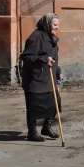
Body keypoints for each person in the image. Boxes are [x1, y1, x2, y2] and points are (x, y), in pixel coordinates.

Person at [21, 13, 64, 142]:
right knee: (34, 107)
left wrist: (58, 71)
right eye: (55, 24)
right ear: (47, 23)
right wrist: (43, 59)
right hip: (36, 79)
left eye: (58, 25)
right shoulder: (36, 37)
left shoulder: (51, 37)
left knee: (54, 104)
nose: (57, 27)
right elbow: (27, 57)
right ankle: (32, 132)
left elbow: (53, 58)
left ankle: (47, 127)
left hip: (49, 78)